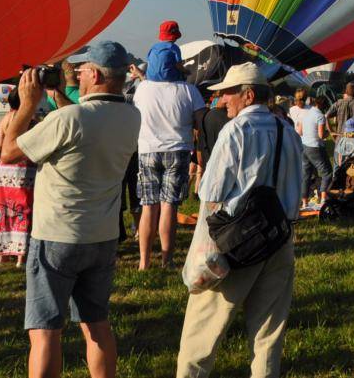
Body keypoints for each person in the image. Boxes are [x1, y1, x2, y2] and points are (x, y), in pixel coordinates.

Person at [0, 43, 141, 378]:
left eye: (82, 70)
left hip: (57, 235)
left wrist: (28, 105)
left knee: (45, 330)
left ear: (95, 75)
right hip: (102, 235)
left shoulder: (68, 119)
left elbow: (8, 152)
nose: (78, 75)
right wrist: (57, 94)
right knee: (96, 324)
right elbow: (83, 119)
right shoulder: (131, 116)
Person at [176, 63, 305, 378]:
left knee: (200, 334)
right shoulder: (287, 131)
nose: (222, 101)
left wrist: (203, 252)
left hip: (237, 244)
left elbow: (211, 193)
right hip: (279, 239)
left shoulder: (236, 131)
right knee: (268, 335)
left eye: (228, 93)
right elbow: (297, 188)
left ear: (248, 95)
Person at [133, 58, 204, 269]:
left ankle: (144, 262)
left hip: (147, 149)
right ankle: (167, 260)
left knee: (148, 206)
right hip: (177, 149)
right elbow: (200, 120)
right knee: (169, 205)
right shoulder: (189, 90)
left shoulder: (143, 88)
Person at [0, 86, 37, 266]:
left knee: (3, 207)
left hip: (5, 169)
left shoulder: (6, 119)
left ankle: (2, 253)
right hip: (25, 167)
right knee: (24, 207)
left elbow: (0, 145)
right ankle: (21, 254)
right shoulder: (31, 120)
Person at [290, 93, 330, 205]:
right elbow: (321, 135)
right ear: (324, 106)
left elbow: (300, 131)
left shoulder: (307, 113)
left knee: (306, 175)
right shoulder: (320, 116)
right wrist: (328, 133)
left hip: (304, 146)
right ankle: (323, 199)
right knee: (327, 173)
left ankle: (304, 202)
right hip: (315, 147)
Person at [326, 82, 354, 167]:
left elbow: (326, 116)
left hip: (340, 141)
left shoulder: (338, 103)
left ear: (346, 91)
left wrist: (332, 132)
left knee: (338, 168)